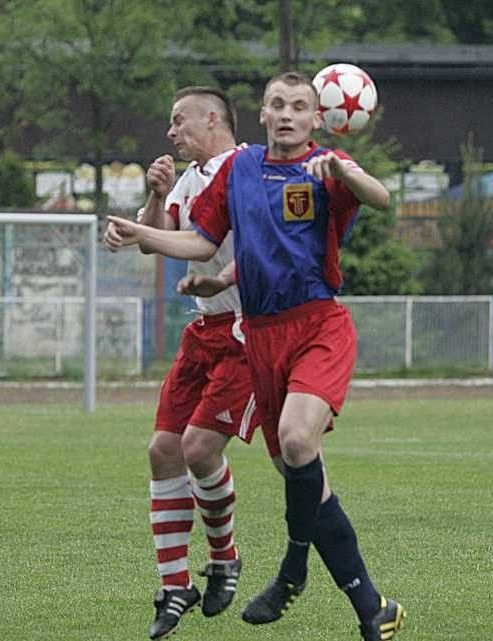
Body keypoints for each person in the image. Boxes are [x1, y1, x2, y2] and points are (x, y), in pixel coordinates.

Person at [104, 71, 405, 641]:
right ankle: (372, 605)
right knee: (297, 471)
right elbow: (198, 240)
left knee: (295, 441)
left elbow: (382, 197)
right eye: (277, 104)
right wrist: (140, 234)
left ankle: (291, 567)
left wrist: (343, 170)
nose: (287, 114)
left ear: (317, 117)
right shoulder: (241, 172)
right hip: (261, 337)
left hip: (318, 323)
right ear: (262, 115)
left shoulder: (328, 166)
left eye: (298, 106)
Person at [105, 86, 256, 640]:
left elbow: (195, 244)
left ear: (212, 118)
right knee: (163, 450)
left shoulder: (248, 168)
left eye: (178, 120)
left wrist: (135, 229)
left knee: (197, 447)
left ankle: (225, 557)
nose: (170, 132)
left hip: (247, 332)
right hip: (203, 329)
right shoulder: (190, 179)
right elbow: (159, 244)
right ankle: (174, 586)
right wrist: (151, 200)